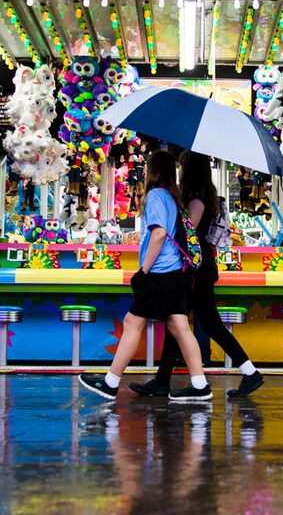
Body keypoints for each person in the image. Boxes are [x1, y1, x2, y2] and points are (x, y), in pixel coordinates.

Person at [79, 150, 211, 401]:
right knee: (180, 326)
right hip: (176, 273)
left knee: (132, 322)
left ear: (152, 170)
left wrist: (144, 271)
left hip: (160, 273)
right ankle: (199, 384)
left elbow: (159, 234)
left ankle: (111, 381)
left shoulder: (155, 196)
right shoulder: (174, 197)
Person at [131, 152, 264, 398]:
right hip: (199, 268)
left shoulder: (197, 200)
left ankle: (248, 373)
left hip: (196, 271)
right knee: (179, 321)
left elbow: (187, 234)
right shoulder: (199, 196)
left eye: (183, 167)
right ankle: (164, 380)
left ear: (190, 170)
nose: (179, 171)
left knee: (196, 322)